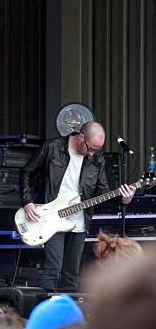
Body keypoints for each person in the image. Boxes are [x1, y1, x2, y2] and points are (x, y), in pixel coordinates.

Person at [20, 121, 135, 290]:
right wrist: (28, 202)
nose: (92, 153)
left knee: (71, 275)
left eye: (96, 150)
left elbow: (103, 193)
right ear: (81, 137)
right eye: (91, 148)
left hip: (79, 222)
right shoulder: (52, 148)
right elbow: (27, 172)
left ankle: (69, 314)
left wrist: (124, 199)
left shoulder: (97, 160)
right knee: (53, 269)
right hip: (51, 218)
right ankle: (43, 313)